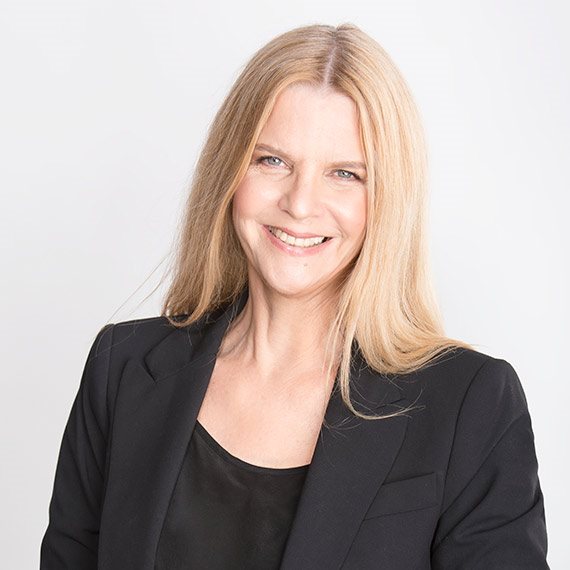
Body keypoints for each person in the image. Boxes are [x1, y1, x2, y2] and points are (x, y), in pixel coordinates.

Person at [40, 23, 548, 569]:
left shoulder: (470, 402)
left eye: (345, 173)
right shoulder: (121, 371)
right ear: (229, 172)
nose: (300, 204)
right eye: (272, 160)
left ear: (388, 199)